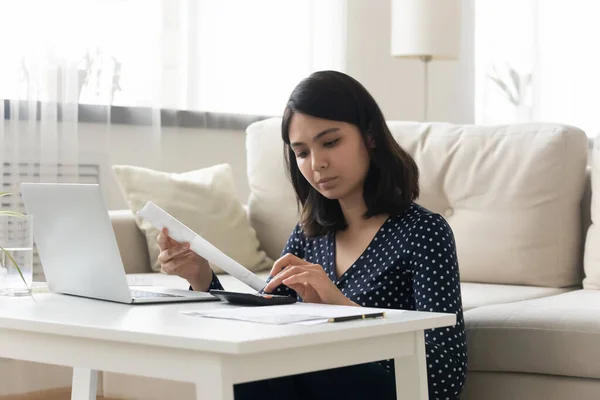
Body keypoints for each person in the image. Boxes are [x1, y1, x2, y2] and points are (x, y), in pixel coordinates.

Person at [157, 70, 467, 400]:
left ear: (371, 136)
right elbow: (262, 320)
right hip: (307, 381)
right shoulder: (309, 235)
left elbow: (444, 375)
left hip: (384, 387)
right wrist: (202, 277)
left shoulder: (424, 232)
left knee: (273, 365)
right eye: (302, 152)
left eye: (330, 142)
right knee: (248, 363)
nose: (317, 163)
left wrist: (343, 309)